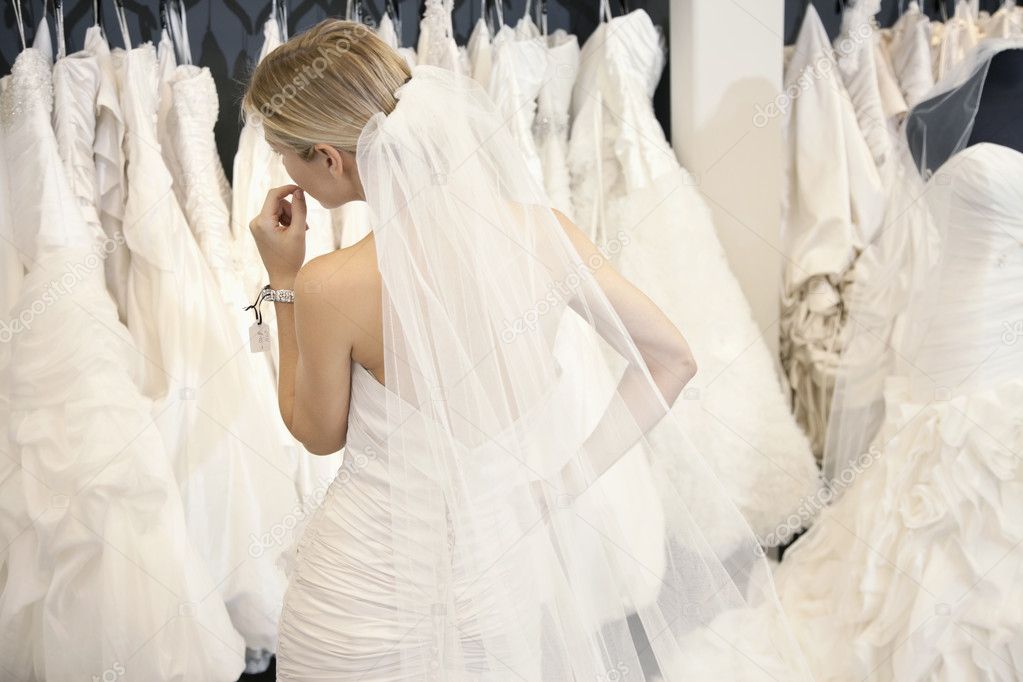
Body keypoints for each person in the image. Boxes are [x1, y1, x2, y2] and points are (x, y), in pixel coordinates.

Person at [244, 18, 811, 681]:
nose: (285, 170)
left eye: (285, 152)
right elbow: (672, 360)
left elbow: (315, 433)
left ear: (329, 158)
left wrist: (282, 282)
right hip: (496, 577)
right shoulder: (544, 236)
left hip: (363, 587)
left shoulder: (329, 284)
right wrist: (559, 486)